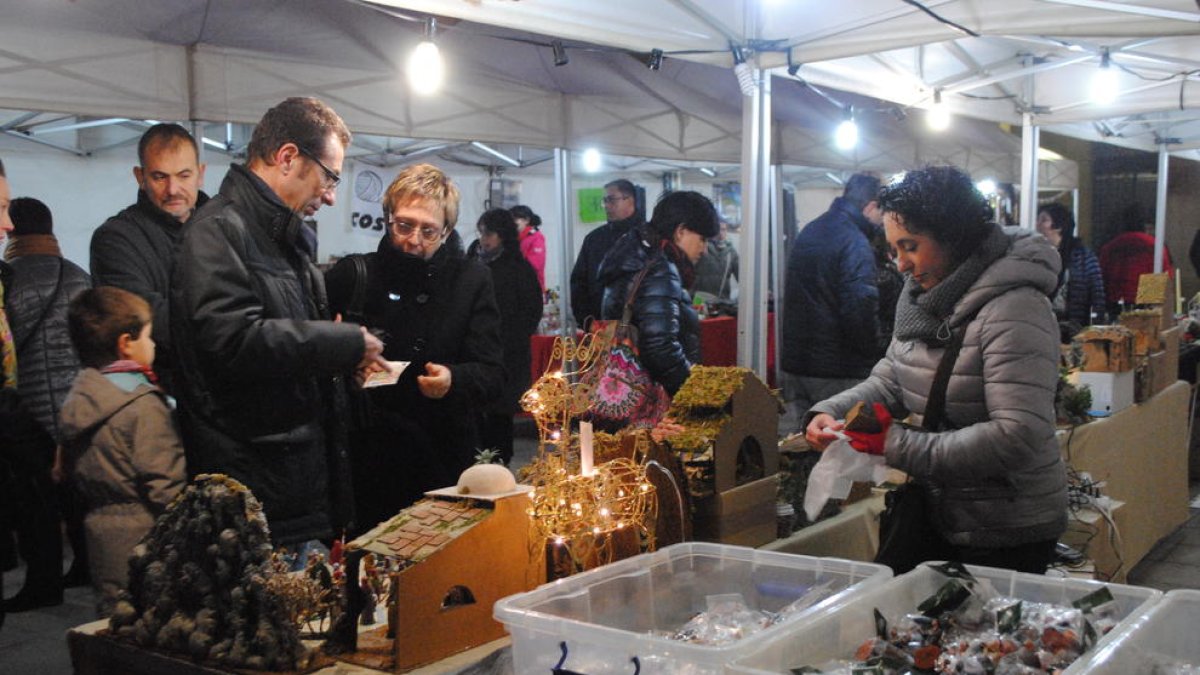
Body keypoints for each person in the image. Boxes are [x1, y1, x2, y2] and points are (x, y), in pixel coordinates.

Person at [804, 166, 1067, 574]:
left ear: (953, 235)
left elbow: (1018, 434)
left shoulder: (1015, 308)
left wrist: (894, 444)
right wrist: (830, 411)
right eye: (893, 249)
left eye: (909, 246)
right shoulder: (921, 298)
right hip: (940, 510)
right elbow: (891, 376)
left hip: (1006, 526)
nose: (901, 264)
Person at [170, 97, 385, 547]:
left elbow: (289, 355)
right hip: (257, 495)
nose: (329, 196)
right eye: (329, 177)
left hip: (296, 487)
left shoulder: (285, 241)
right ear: (287, 157)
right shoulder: (216, 232)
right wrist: (343, 344)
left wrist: (345, 366)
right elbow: (233, 341)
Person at [325, 163, 503, 531]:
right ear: (388, 218)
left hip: (443, 456)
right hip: (369, 458)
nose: (413, 240)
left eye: (429, 231)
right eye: (403, 225)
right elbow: (312, 354)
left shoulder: (471, 280)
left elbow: (492, 372)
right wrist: (345, 356)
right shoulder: (355, 275)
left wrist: (453, 378)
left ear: (448, 231)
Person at [59, 287, 186, 616]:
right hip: (148, 535)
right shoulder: (143, 405)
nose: (154, 344)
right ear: (126, 343)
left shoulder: (83, 399)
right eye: (148, 335)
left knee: (115, 620)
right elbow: (164, 484)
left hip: (101, 536)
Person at [2, 198, 91, 611]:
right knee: (77, 489)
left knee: (35, 499)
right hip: (77, 401)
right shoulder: (78, 276)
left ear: (14, 231)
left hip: (29, 407)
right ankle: (85, 565)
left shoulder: (9, 281)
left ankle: (43, 582)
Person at [90, 123, 208, 395]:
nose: (173, 189)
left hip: (228, 396)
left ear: (200, 174)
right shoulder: (116, 238)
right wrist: (234, 327)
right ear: (140, 176)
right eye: (159, 177)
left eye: (183, 175)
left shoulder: (227, 228)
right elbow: (146, 320)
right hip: (160, 398)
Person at [781, 173, 884, 432]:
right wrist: (877, 353)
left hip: (797, 362)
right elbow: (859, 308)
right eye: (881, 212)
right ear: (871, 206)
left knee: (803, 444)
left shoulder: (811, 230)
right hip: (838, 368)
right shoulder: (855, 242)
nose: (882, 221)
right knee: (842, 449)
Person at [597, 190, 719, 397]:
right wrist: (694, 392)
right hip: (653, 398)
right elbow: (659, 346)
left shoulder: (635, 255)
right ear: (680, 231)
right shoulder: (660, 269)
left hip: (624, 390)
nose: (704, 249)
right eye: (702, 238)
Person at [470, 209, 543, 465]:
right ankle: (480, 459)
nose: (483, 239)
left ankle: (501, 460)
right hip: (475, 349)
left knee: (500, 412)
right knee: (476, 409)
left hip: (507, 352)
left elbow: (532, 309)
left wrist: (511, 336)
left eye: (488, 233)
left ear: (502, 235)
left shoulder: (518, 268)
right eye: (481, 233)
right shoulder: (473, 262)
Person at [571, 179, 643, 328]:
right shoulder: (594, 239)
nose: (607, 206)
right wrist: (587, 321)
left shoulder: (647, 237)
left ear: (630, 200)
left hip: (639, 328)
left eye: (611, 200)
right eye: (605, 200)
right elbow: (579, 282)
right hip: (600, 327)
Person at [1036, 202, 1106, 329]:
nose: (1038, 224)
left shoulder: (1083, 256)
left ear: (1058, 226)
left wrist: (1095, 326)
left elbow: (1097, 295)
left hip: (1075, 326)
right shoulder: (1037, 255)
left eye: (1044, 220)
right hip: (1043, 324)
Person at [1099, 203, 1173, 313]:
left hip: (1116, 301)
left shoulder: (1110, 246)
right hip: (1146, 300)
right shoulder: (1154, 245)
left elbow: (1102, 276)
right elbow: (1166, 275)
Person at [692, 220, 739, 301]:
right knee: (698, 313)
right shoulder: (702, 247)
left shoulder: (731, 253)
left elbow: (742, 277)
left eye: (723, 229)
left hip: (722, 300)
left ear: (726, 231)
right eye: (718, 229)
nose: (721, 233)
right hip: (698, 298)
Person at [510, 205, 546, 292]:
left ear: (526, 220)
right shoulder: (516, 238)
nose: (512, 223)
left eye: (515, 219)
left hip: (531, 288)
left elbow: (534, 266)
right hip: (517, 288)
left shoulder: (536, 238)